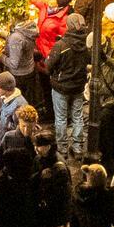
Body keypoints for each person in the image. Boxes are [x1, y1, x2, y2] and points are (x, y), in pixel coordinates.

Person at [45, 12, 92, 154]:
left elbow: (49, 65)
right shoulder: (87, 42)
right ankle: (77, 146)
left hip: (61, 87)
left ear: (68, 26)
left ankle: (62, 147)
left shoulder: (61, 45)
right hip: (78, 86)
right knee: (77, 116)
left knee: (61, 118)